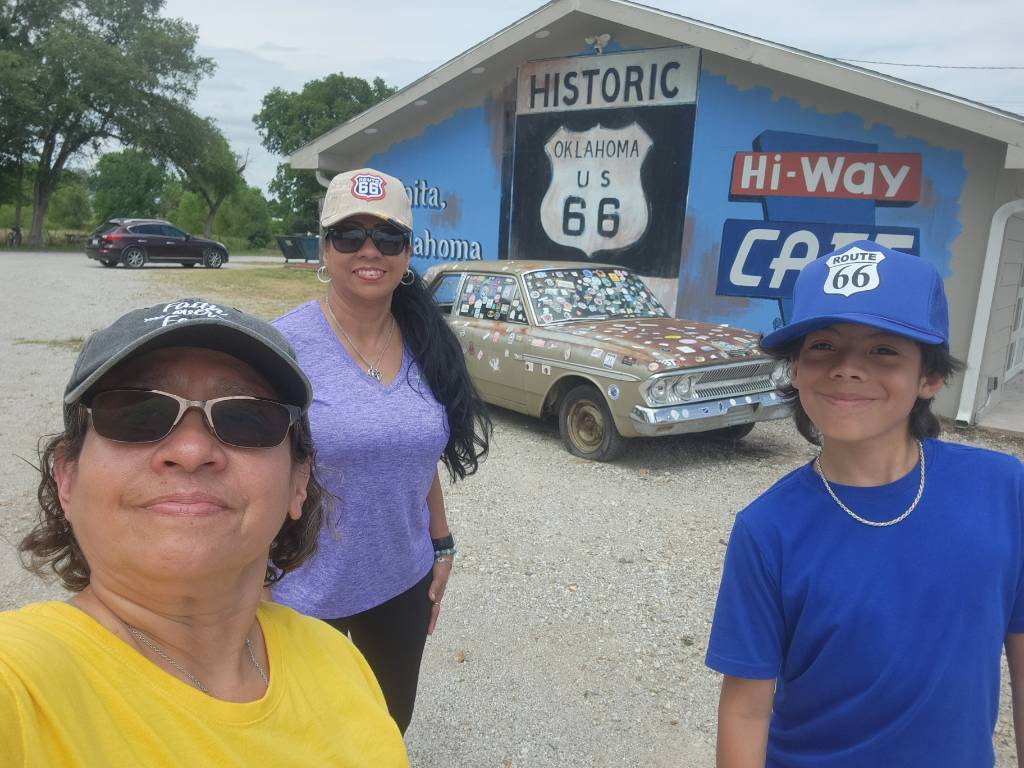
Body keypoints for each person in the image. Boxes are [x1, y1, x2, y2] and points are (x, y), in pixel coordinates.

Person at [1, 298, 409, 766]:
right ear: (67, 478)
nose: (192, 451)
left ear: (298, 482)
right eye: (137, 412)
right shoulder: (19, 685)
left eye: (246, 418)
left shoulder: (339, 659)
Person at [705, 241, 1024, 767]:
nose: (848, 368)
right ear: (795, 370)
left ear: (930, 377)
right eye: (823, 346)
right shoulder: (767, 529)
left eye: (883, 350)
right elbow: (746, 711)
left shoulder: (1003, 489)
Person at [272, 168, 491, 733]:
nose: (369, 250)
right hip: (299, 591)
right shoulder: (280, 347)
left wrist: (442, 544)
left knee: (388, 726)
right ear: (325, 249)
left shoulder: (428, 340)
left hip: (402, 583)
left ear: (407, 253)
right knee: (306, 735)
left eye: (388, 237)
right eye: (349, 235)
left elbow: (415, 455)